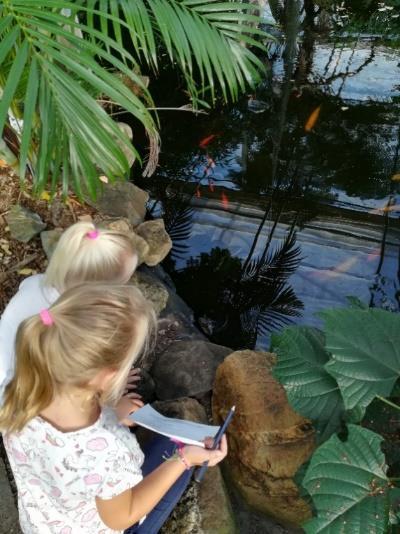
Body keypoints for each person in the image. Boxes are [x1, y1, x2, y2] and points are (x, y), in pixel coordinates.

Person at [0, 284, 227, 534]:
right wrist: (184, 459)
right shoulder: (107, 453)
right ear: (108, 375)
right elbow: (120, 518)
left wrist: (111, 411)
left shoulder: (19, 390)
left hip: (41, 523)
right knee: (176, 449)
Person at [0, 221, 140, 404]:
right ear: (96, 290)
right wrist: (110, 385)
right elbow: (70, 384)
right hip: (18, 404)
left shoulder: (36, 282)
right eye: (122, 284)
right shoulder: (71, 326)